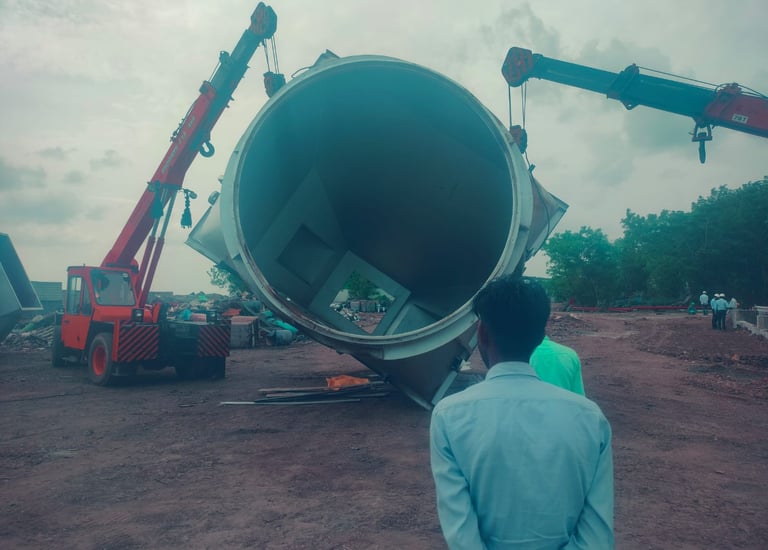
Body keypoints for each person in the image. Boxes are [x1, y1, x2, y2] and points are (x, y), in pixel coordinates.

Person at [430, 276, 614, 549]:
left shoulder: (449, 415)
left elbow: (460, 531)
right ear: (540, 336)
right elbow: (596, 534)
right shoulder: (589, 417)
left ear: (482, 333)